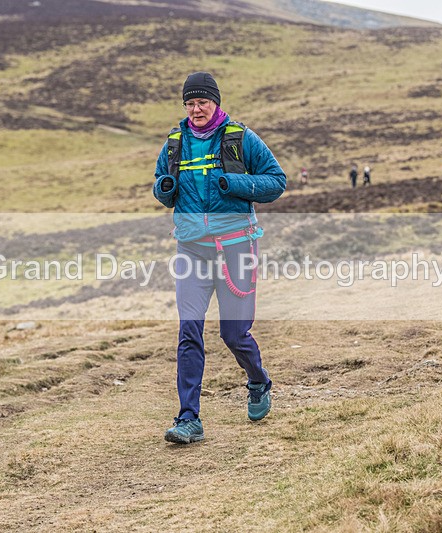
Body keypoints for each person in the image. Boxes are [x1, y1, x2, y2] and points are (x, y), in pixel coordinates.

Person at [153, 72, 286, 445]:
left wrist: (235, 184)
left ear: (215, 103)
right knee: (189, 331)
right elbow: (161, 182)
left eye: (202, 102)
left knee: (233, 334)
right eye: (190, 103)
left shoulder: (241, 138)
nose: (196, 109)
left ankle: (258, 381)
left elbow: (277, 180)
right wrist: (164, 189)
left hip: (236, 248)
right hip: (192, 249)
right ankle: (188, 418)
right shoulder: (174, 143)